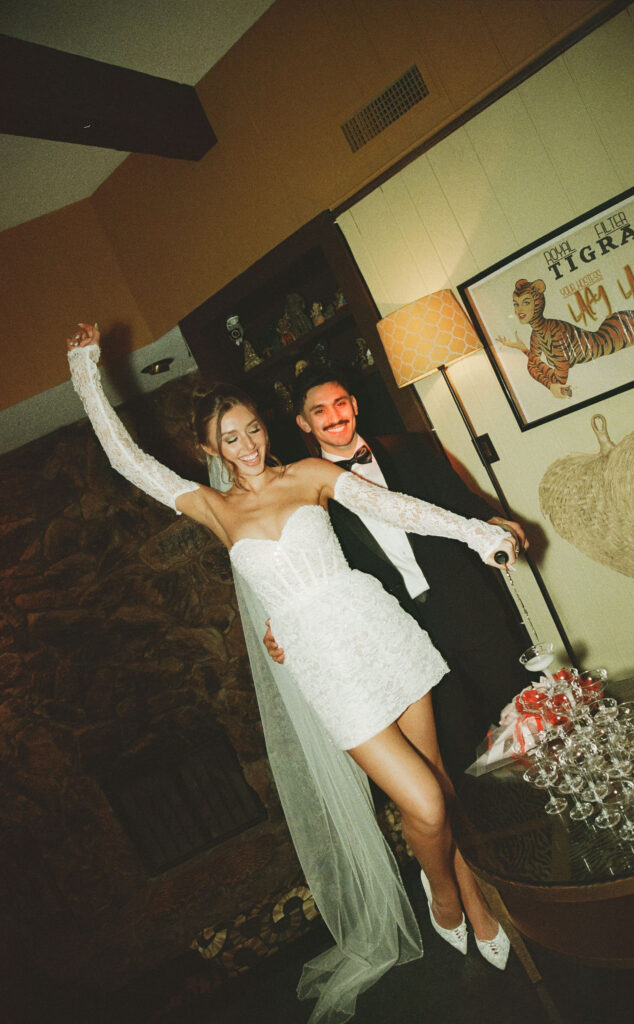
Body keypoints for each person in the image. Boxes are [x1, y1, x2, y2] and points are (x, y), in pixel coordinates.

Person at [66, 324, 518, 1023]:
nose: (247, 444)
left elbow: (395, 507)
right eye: (231, 438)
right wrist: (85, 370)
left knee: (439, 788)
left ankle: (475, 899)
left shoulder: (307, 475)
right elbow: (128, 460)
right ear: (211, 449)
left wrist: (478, 532)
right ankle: (444, 896)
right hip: (326, 668)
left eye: (251, 428)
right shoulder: (214, 508)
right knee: (424, 803)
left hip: (383, 635)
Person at [263, 365, 530, 781]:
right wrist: (279, 625)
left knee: (525, 709)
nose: (334, 416)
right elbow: (302, 565)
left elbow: (460, 502)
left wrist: (494, 521)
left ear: (354, 405)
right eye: (320, 410)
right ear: (303, 422)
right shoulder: (306, 494)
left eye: (340, 403)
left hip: (466, 607)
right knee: (458, 750)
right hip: (402, 634)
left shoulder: (410, 449)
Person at [497, 190, 634, 397]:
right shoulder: (538, 335)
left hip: (617, 335)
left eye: (525, 302)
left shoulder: (553, 332)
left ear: (538, 301)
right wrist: (526, 352)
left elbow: (559, 377)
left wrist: (545, 378)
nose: (519, 309)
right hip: (615, 331)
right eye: (516, 304)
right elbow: (534, 367)